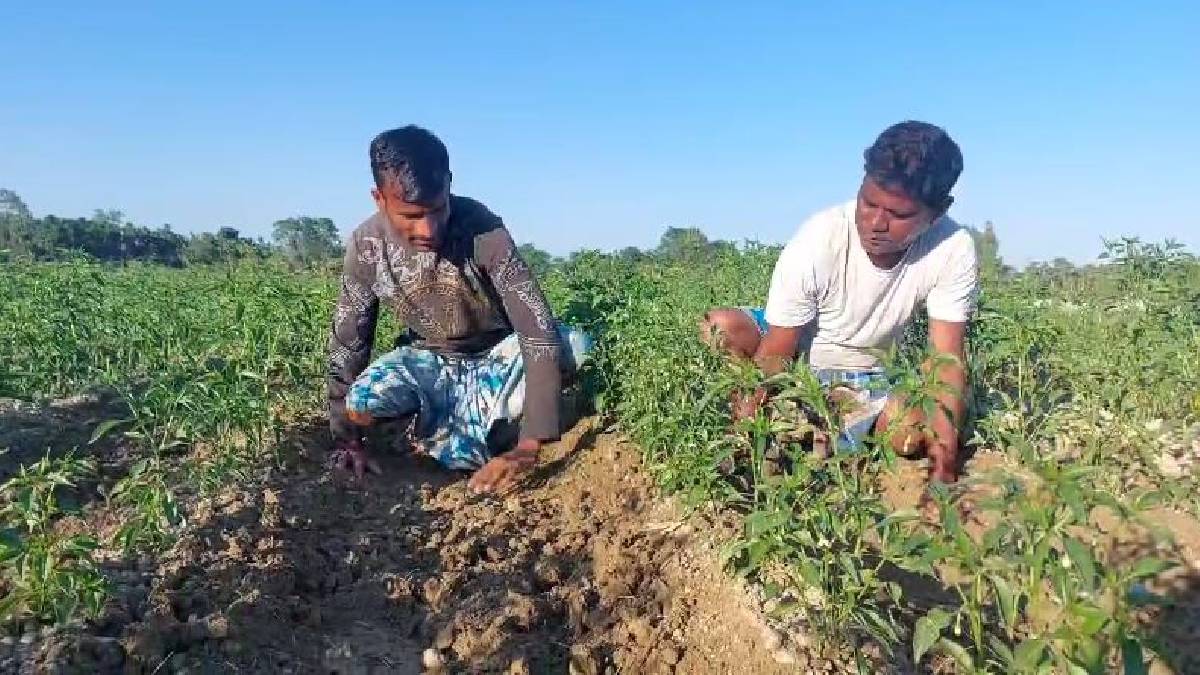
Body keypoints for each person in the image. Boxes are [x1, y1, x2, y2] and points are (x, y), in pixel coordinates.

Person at [701, 120, 978, 485]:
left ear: (938, 211)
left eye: (898, 215)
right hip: (801, 354)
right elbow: (779, 346)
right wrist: (744, 437)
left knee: (908, 435)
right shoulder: (821, 237)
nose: (876, 223)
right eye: (868, 202)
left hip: (873, 371)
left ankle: (845, 418)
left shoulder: (952, 249)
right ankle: (804, 413)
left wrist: (945, 472)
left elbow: (945, 360)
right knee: (718, 326)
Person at [326, 125, 590, 494]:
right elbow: (348, 345)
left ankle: (513, 426)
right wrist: (348, 440)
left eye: (438, 209)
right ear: (379, 198)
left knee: (573, 345)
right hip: (430, 364)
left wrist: (530, 446)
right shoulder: (366, 247)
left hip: (497, 357)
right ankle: (430, 430)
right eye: (412, 216)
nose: (429, 229)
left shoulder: (483, 229)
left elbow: (536, 328)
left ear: (449, 183)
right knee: (361, 401)